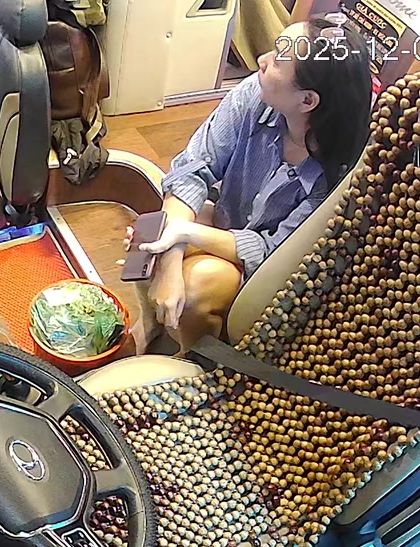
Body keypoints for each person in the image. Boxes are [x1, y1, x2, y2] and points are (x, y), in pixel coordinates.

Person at [126, 17, 372, 355]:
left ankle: (197, 359)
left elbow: (272, 250)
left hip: (272, 270)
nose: (262, 60)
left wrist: (185, 234)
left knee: (196, 285)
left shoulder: (340, 173)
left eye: (278, 60)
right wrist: (170, 258)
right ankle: (150, 327)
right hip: (231, 223)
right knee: (148, 239)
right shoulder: (253, 93)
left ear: (307, 101)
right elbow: (191, 170)